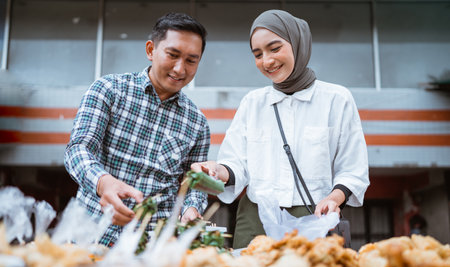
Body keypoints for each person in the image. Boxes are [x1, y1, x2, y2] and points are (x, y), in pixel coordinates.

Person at [192, 9, 369, 249]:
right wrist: (216, 170)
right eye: (257, 54)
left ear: (298, 44)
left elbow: (352, 168)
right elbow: (235, 164)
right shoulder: (252, 103)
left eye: (275, 49)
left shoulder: (336, 99)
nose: (267, 61)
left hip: (314, 217)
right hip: (256, 221)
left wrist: (334, 198)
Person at [64, 12, 210, 248]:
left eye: (191, 60)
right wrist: (104, 183)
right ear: (151, 50)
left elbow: (194, 183)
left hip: (151, 247)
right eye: (172, 55)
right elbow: (78, 149)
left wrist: (191, 208)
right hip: (88, 235)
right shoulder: (108, 89)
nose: (180, 68)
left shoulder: (198, 122)